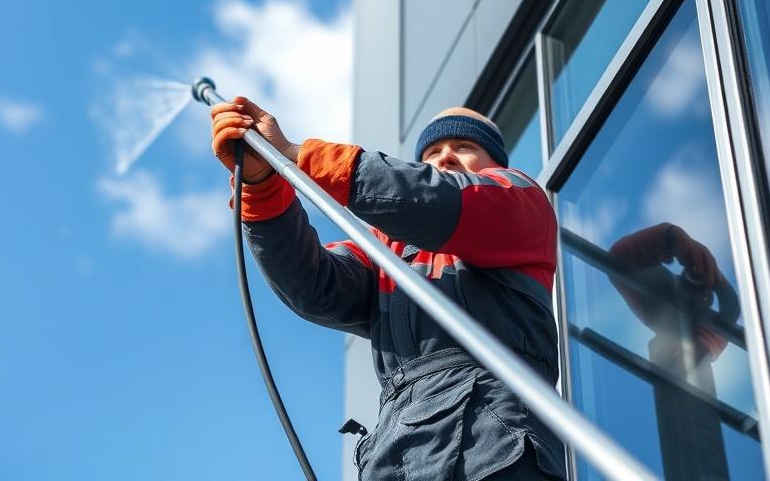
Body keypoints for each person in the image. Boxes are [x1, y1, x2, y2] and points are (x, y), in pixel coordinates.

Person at [210, 96, 567, 480]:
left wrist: (295, 153)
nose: (445, 157)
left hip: (496, 443)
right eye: (432, 151)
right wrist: (262, 187)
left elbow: (434, 198)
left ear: (495, 163)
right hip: (396, 453)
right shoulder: (385, 253)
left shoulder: (518, 198)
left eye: (464, 147)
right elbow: (312, 282)